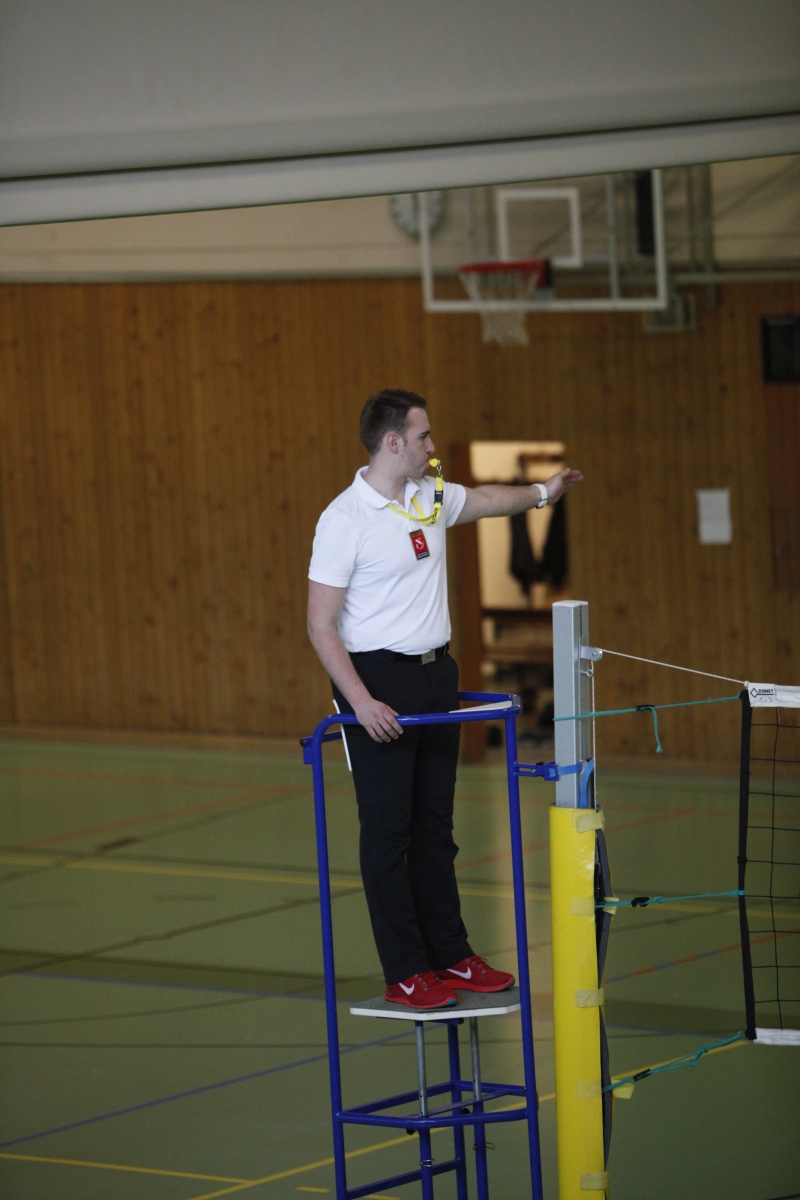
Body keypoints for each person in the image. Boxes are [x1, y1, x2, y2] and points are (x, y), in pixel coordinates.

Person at [307, 389, 583, 1010]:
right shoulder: (343, 519)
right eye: (423, 436)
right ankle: (405, 971)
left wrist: (543, 493)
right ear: (393, 442)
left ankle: (451, 956)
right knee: (389, 834)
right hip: (377, 683)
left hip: (436, 677)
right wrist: (360, 703)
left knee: (436, 830)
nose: (432, 446)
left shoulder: (427, 496)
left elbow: (485, 501)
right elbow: (320, 625)